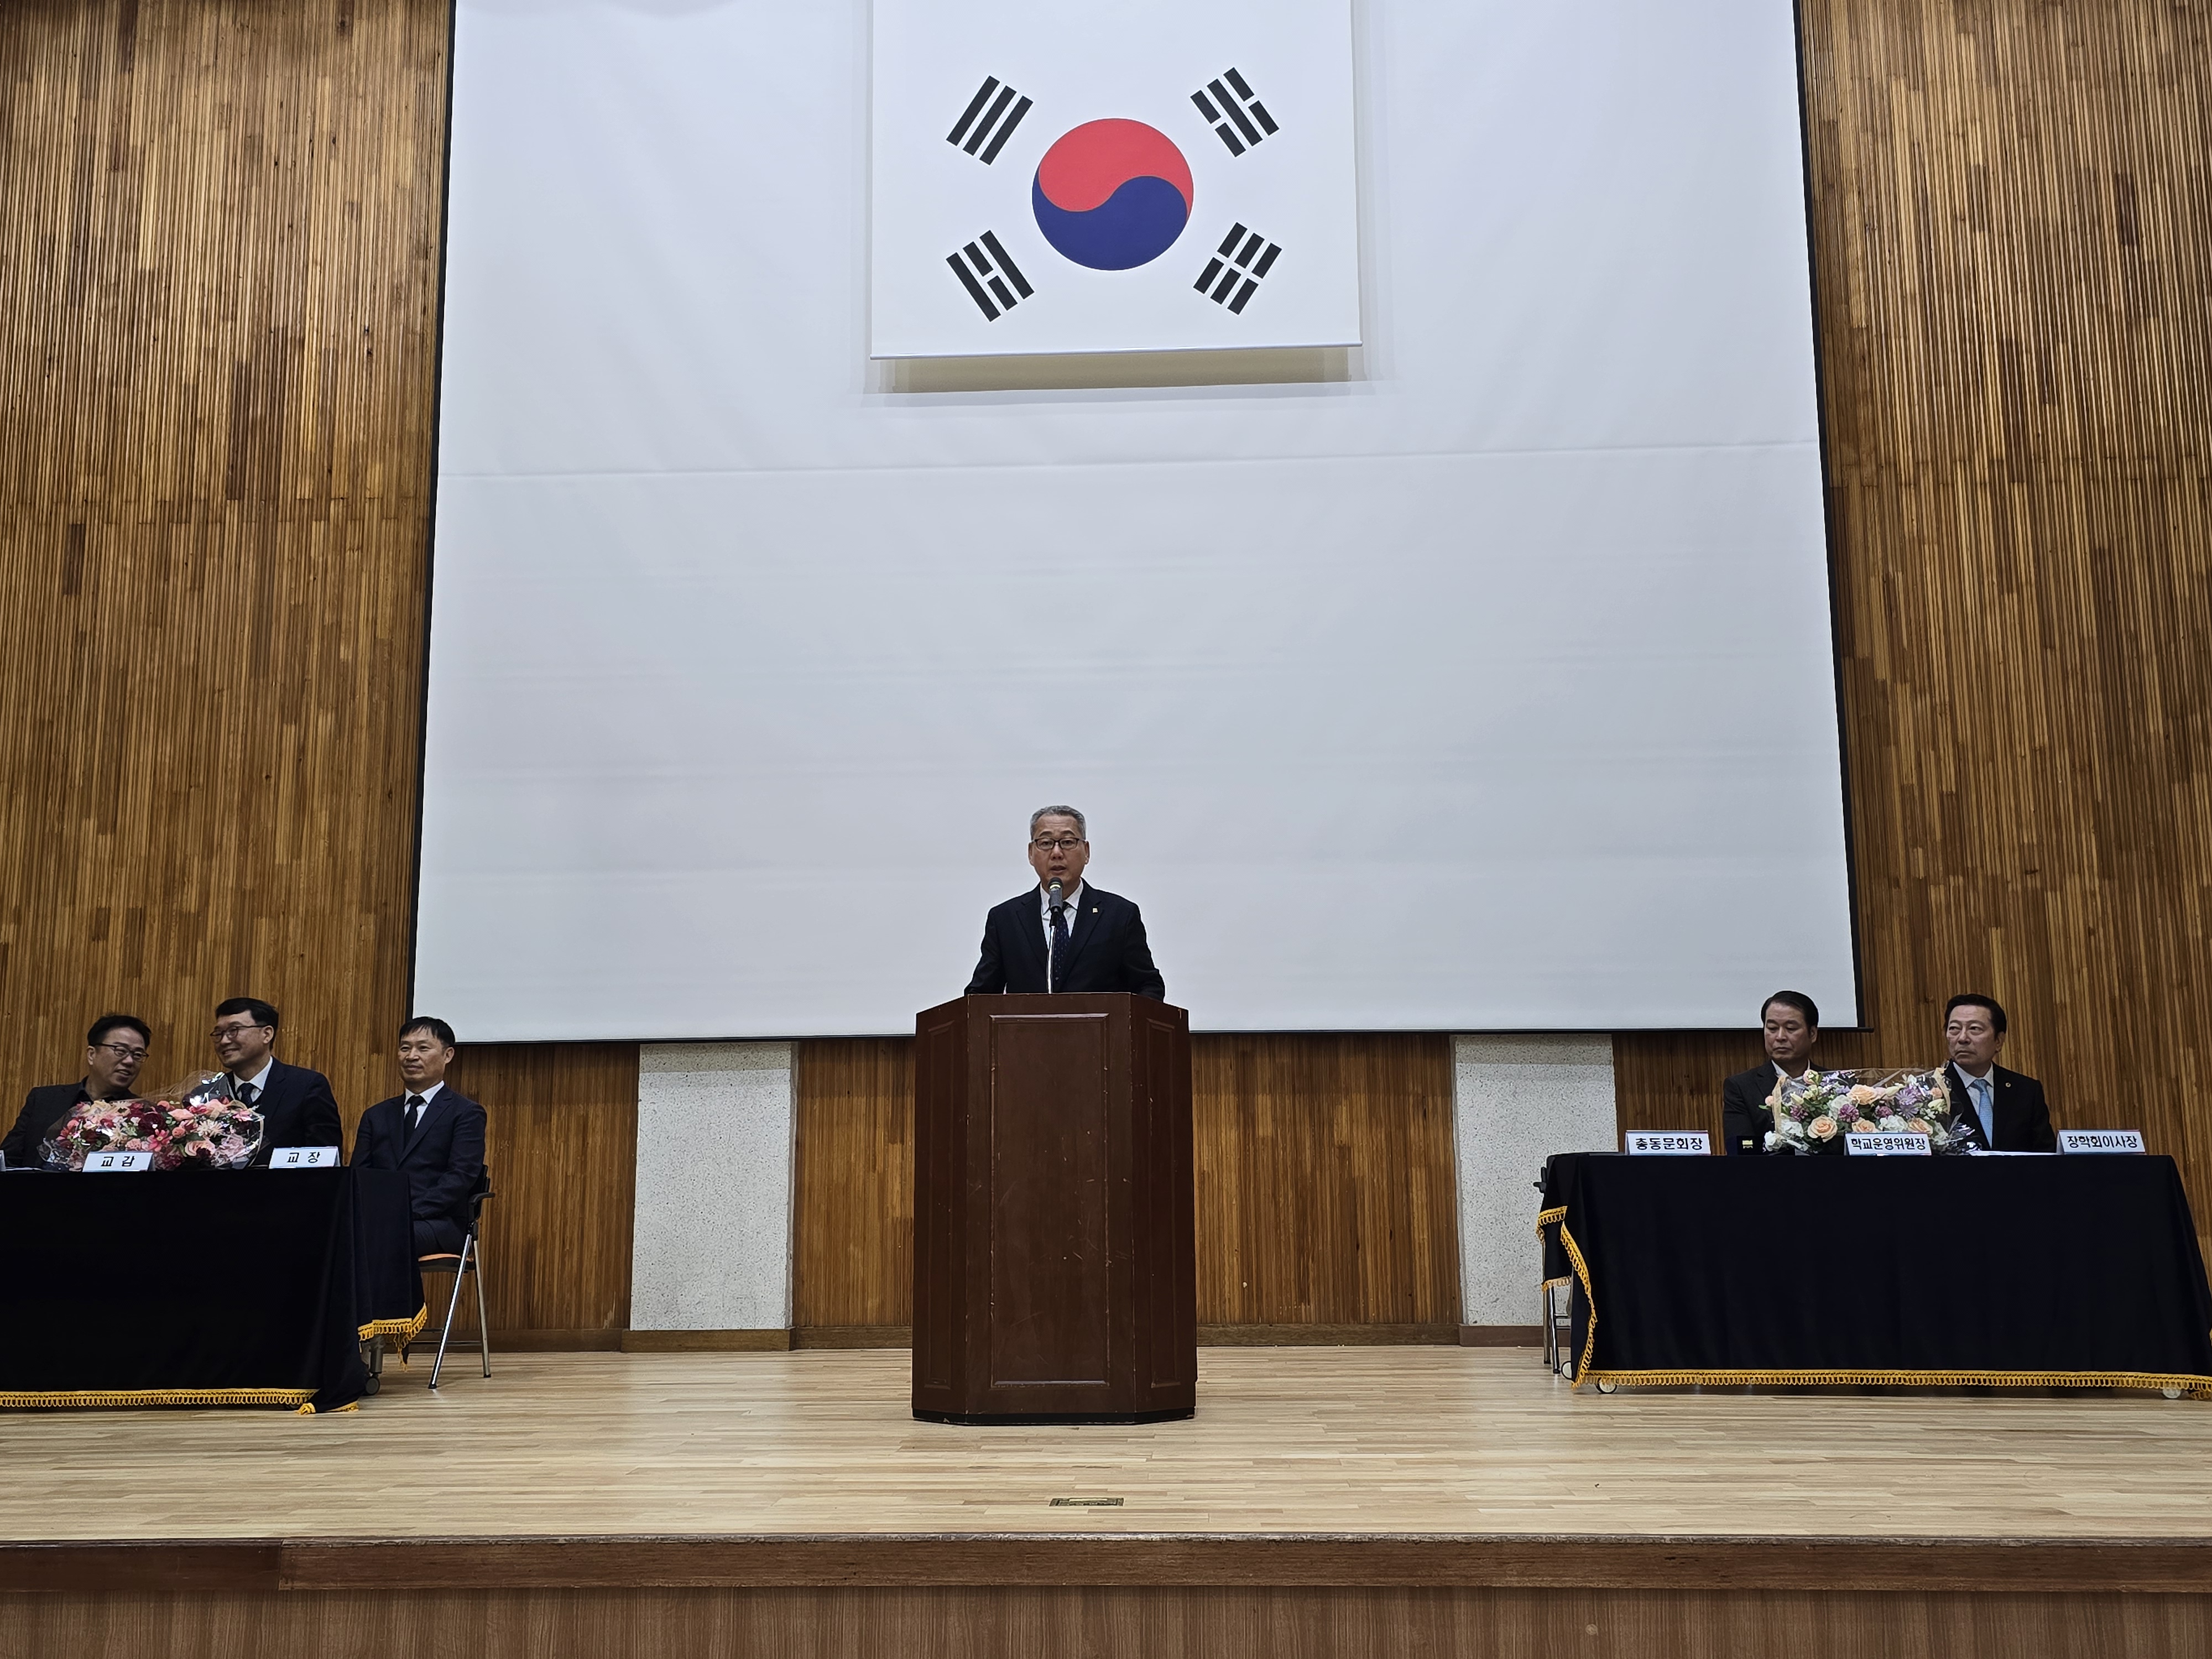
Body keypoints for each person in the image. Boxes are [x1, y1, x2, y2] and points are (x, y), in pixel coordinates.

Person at [966, 805, 1166, 999]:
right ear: (1031, 853)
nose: (1056, 853)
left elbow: (1148, 986)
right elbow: (980, 995)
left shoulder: (1120, 915)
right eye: (1046, 843)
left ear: (1086, 851)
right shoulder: (1005, 919)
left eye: (1068, 842)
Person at [352, 1016, 487, 1255]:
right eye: (405, 1048)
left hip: (439, 1222)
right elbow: (359, 1175)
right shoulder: (376, 1115)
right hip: (380, 1219)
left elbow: (460, 1177)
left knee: (381, 1237)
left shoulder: (465, 1113)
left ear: (448, 1055)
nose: (411, 1056)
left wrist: (406, 1212)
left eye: (423, 1048)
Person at [1, 1014, 152, 1169]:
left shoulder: (145, 1115)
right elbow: (7, 1160)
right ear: (92, 1054)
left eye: (138, 1055)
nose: (129, 1061)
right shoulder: (43, 1100)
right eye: (120, 1051)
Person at [211, 997, 342, 1160]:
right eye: (219, 1033)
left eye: (234, 1030)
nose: (224, 1041)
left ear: (267, 1034)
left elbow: (325, 1159)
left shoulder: (306, 1086)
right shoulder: (208, 1094)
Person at [1942, 993, 2056, 1152]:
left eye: (1974, 1029)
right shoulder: (1925, 1092)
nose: (1962, 1038)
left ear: (1999, 1041)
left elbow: (2046, 1154)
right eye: (1954, 1029)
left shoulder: (2026, 1091)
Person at [1720, 992, 1820, 1155]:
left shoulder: (1837, 1085)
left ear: (1813, 1034)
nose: (1780, 1037)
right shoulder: (1741, 1087)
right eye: (1772, 1029)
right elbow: (1741, 1152)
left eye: (1791, 1029)